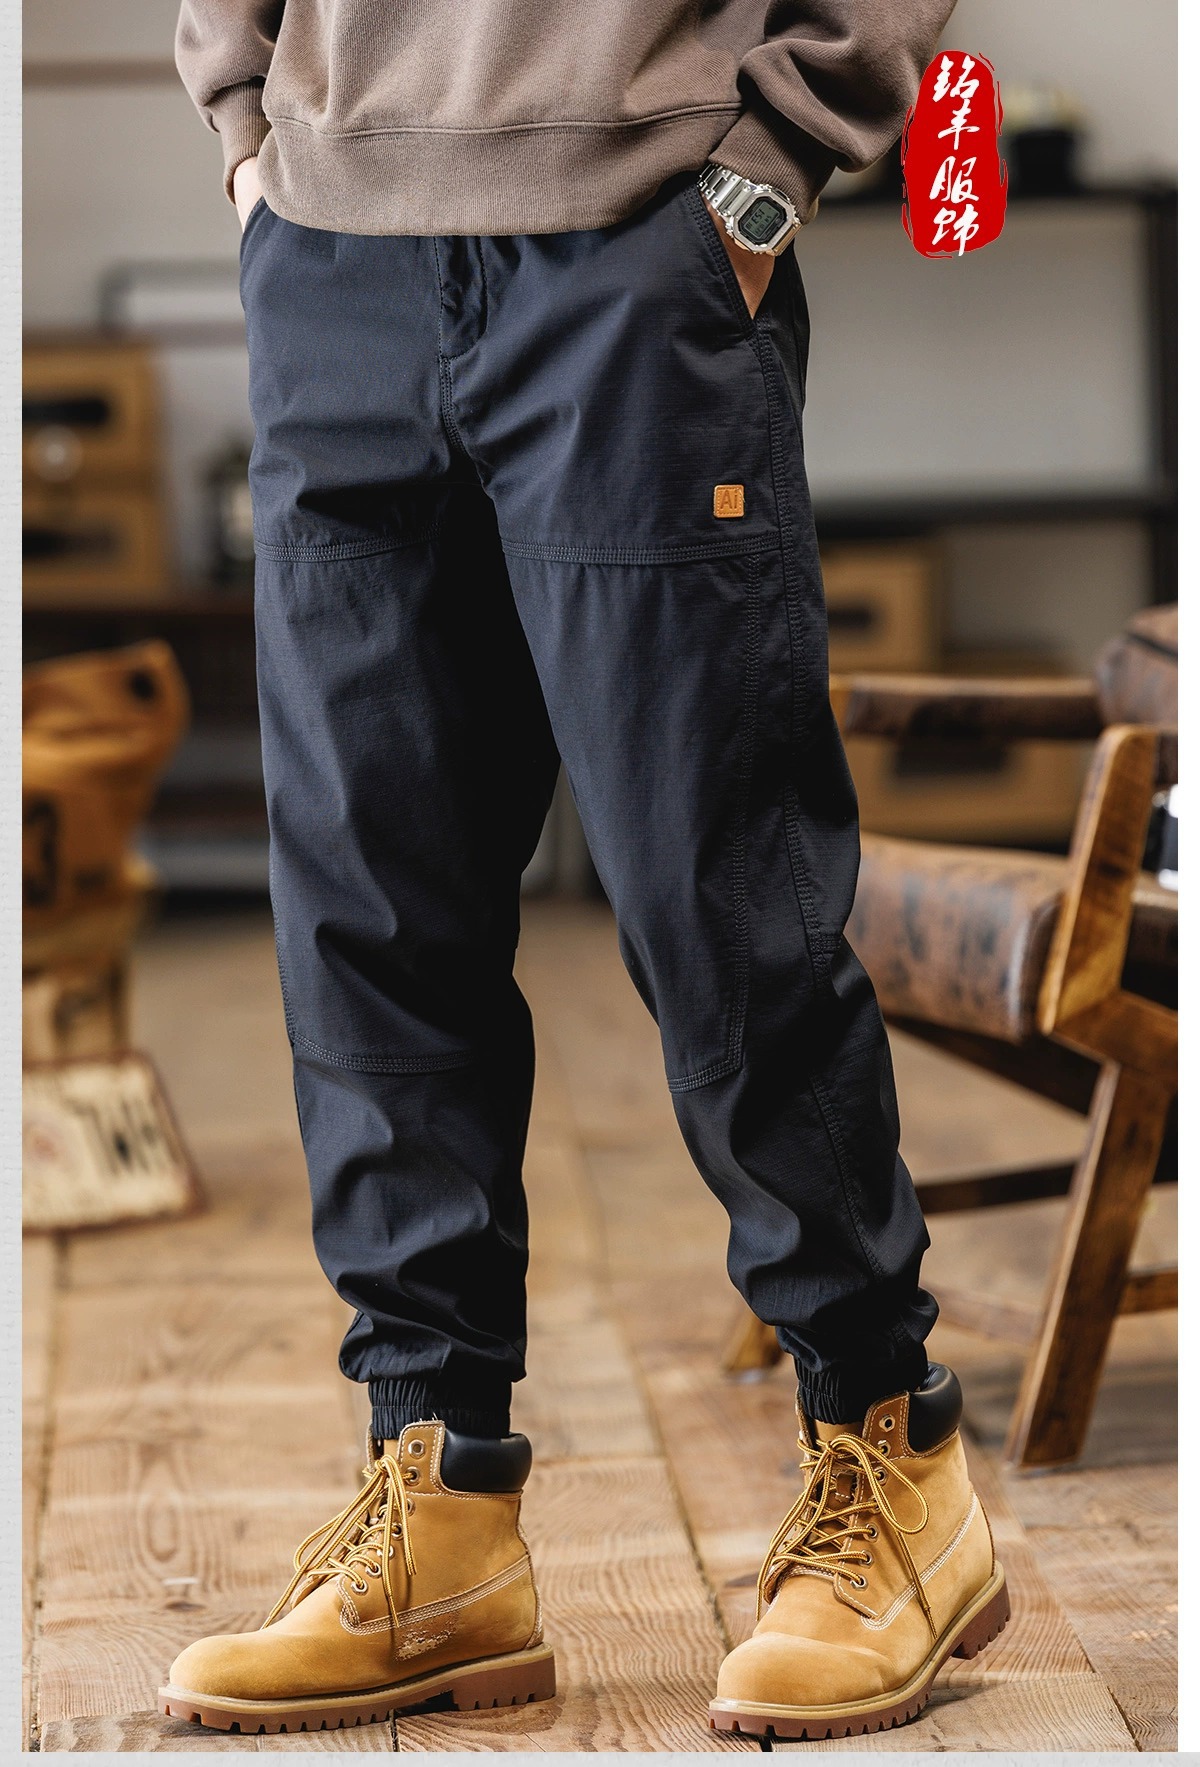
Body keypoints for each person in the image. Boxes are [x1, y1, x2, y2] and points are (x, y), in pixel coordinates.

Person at [160, 0, 1009, 1740]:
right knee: (371, 915)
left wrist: (774, 160)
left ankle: (892, 1455)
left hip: (638, 243)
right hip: (331, 255)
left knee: (720, 899)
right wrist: (248, 125)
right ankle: (440, 1503)